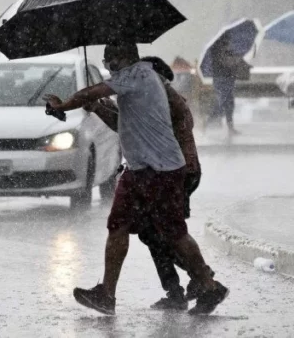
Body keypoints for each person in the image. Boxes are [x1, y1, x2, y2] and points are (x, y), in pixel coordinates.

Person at [44, 43, 228, 316]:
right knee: (120, 226)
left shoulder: (139, 75)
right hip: (139, 169)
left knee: (171, 233)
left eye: (110, 62)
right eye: (106, 63)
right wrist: (94, 107)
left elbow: (92, 90)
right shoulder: (135, 83)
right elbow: (122, 124)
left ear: (125, 59)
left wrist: (66, 104)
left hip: (163, 169)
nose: (108, 68)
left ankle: (206, 283)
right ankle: (108, 293)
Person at [85, 56, 212, 310]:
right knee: (157, 232)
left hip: (174, 172)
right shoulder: (158, 95)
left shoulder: (160, 97)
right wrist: (102, 107)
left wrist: (102, 107)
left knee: (166, 232)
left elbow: (133, 127)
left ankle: (202, 279)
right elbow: (126, 125)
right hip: (169, 171)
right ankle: (187, 286)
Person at [206, 34, 241, 135]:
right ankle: (207, 123)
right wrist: (235, 60)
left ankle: (230, 127)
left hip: (227, 78)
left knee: (229, 103)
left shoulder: (222, 47)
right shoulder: (218, 48)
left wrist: (234, 59)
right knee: (222, 103)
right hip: (222, 78)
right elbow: (225, 62)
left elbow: (228, 61)